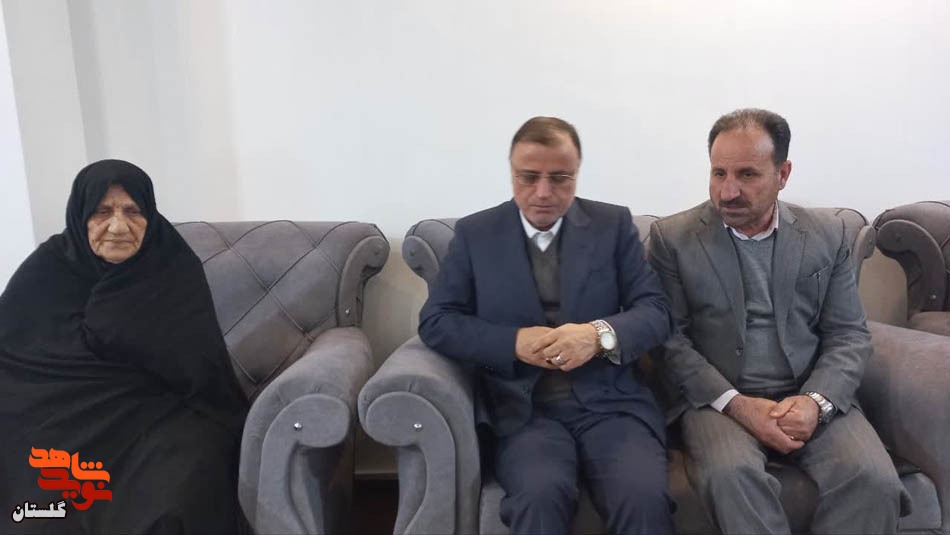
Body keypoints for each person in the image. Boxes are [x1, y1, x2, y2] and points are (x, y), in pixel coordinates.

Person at [648, 108, 908, 534]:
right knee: (731, 476)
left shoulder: (827, 234)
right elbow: (670, 341)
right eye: (718, 173)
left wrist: (815, 401)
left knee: (873, 480)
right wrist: (738, 404)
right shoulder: (673, 239)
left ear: (782, 174)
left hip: (808, 389)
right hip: (720, 400)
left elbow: (848, 334)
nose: (728, 191)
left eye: (747, 175)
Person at [419, 116, 675, 534]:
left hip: (612, 406)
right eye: (529, 177)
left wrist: (597, 335)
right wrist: (513, 342)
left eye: (559, 178)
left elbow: (656, 311)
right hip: (523, 411)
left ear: (576, 174)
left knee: (643, 499)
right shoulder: (476, 234)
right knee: (539, 498)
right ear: (511, 173)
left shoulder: (612, 226)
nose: (543, 192)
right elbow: (436, 321)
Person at [0, 160, 248, 534]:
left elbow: (200, 369)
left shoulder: (171, 265)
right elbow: (11, 354)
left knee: (182, 485)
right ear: (81, 215)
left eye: (133, 211)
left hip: (153, 415)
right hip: (55, 417)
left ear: (150, 214)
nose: (118, 226)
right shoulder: (48, 268)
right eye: (102, 212)